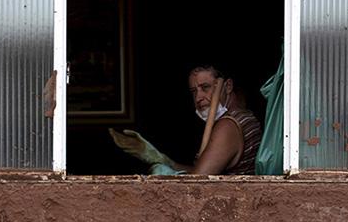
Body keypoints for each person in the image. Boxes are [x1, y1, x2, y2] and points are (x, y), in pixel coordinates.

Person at [110, 65, 262, 176]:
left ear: (227, 86)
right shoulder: (244, 117)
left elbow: (196, 183)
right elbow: (203, 171)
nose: (198, 98)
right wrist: (163, 160)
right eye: (194, 91)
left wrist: (164, 175)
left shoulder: (228, 126)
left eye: (205, 87)